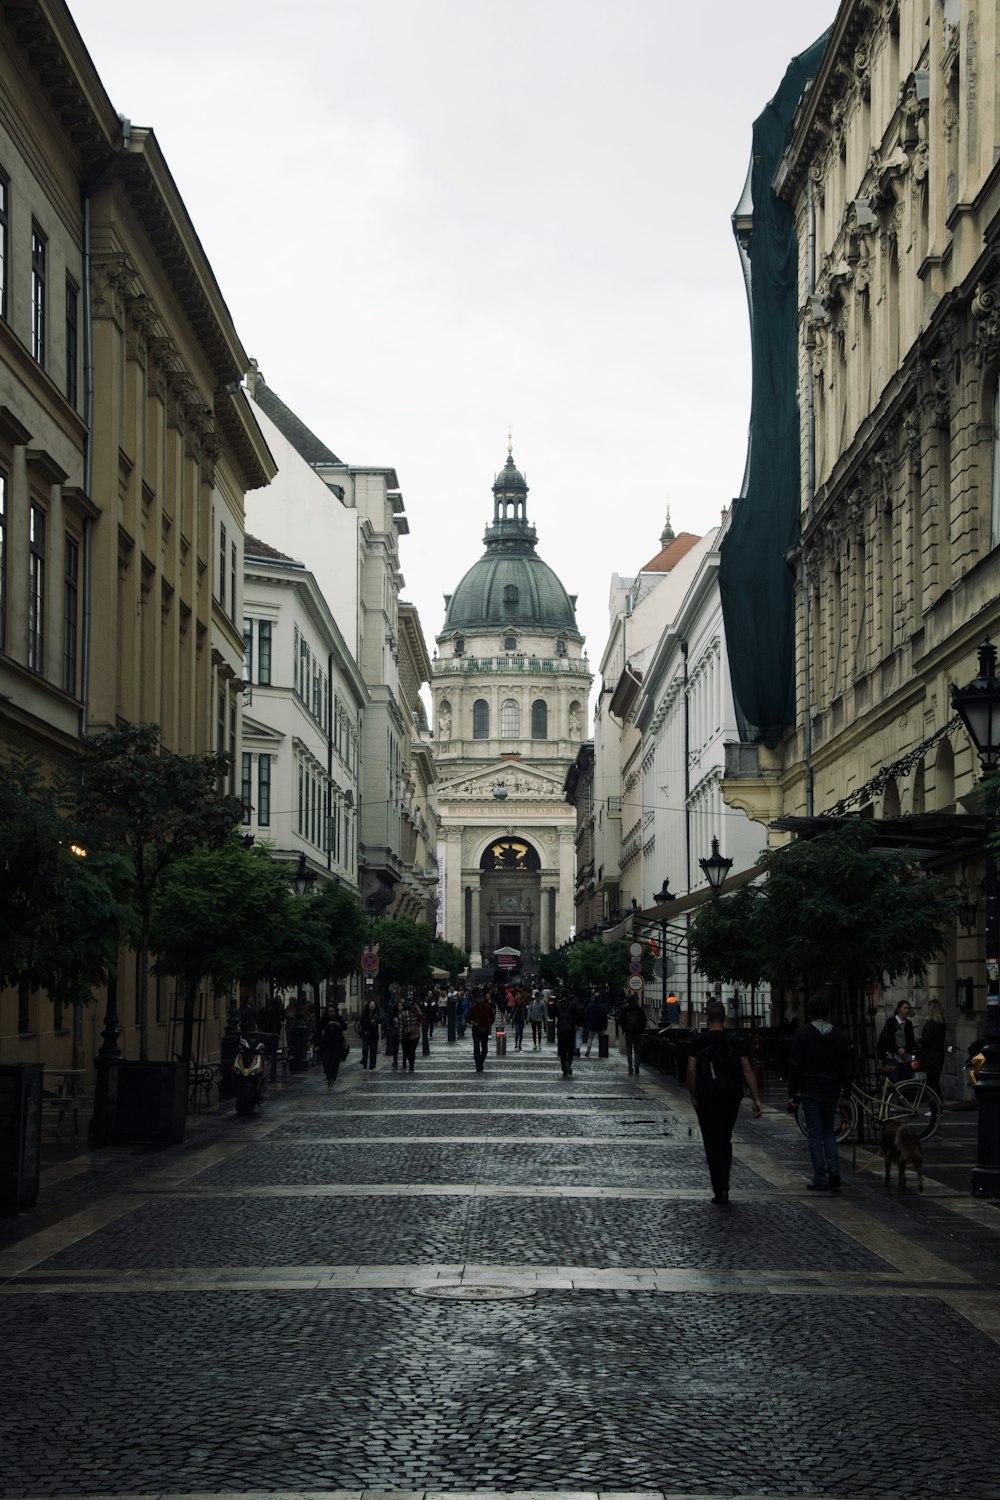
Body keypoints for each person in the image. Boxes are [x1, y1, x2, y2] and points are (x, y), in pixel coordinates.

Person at [687, 999, 762, 1204]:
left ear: (707, 1018)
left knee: (711, 1142)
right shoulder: (735, 1041)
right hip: (731, 1096)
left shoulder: (699, 1041)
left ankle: (720, 1188)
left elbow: (691, 1070)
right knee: (725, 1138)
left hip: (707, 1096)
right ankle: (724, 1183)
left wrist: (693, 1094)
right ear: (725, 1018)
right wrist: (756, 1098)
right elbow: (747, 1069)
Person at [787, 994, 853, 1192]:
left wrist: (792, 1092)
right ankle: (835, 1172)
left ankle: (820, 1176)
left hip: (810, 1089)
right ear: (827, 1012)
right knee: (828, 1131)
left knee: (814, 1134)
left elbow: (795, 1064)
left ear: (810, 1012)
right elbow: (846, 1066)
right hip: (831, 1089)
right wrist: (846, 1092)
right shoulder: (839, 1036)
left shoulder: (803, 1034)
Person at [877, 999, 916, 1082]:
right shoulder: (891, 1022)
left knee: (905, 1081)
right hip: (894, 1057)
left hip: (906, 1057)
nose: (907, 1010)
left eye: (908, 1008)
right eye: (904, 1008)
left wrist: (905, 1049)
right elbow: (886, 1039)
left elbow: (911, 1040)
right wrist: (897, 1049)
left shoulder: (908, 1023)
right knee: (895, 1080)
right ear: (899, 1009)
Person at [918, 998, 947, 1098]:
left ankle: (935, 1109)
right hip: (938, 1057)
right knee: (935, 1082)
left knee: (931, 1084)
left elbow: (927, 1040)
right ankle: (938, 1107)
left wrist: (919, 1040)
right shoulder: (942, 1023)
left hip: (929, 1058)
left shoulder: (931, 1024)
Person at [316, 1002, 348, 1091]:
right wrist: (328, 1024)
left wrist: (338, 1024)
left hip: (337, 1044)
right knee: (326, 1063)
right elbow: (319, 1029)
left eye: (332, 1011)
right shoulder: (324, 1020)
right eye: (329, 1011)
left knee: (334, 1064)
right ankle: (328, 1077)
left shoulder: (339, 1018)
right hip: (326, 1044)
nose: (331, 1013)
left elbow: (345, 1027)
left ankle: (331, 1082)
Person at [618, 994, 647, 1075]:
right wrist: (641, 1028)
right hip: (637, 1032)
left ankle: (630, 1069)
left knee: (629, 1051)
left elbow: (620, 1019)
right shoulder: (638, 1009)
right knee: (637, 1050)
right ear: (635, 1000)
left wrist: (625, 1028)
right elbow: (644, 1019)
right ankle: (637, 1066)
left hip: (628, 1033)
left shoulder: (625, 1009)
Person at [555, 993, 582, 1077]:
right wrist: (576, 1023)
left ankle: (564, 1069)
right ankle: (568, 1062)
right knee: (570, 1049)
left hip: (561, 1029)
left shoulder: (558, 1004)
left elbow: (552, 1014)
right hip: (570, 1029)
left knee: (562, 1049)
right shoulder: (573, 1004)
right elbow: (579, 1014)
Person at [468, 988, 494, 1072]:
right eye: (479, 998)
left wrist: (488, 1025)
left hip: (484, 1030)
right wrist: (473, 1022)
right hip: (476, 1030)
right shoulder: (473, 1008)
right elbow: (468, 1019)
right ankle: (478, 1065)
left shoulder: (487, 1007)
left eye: (481, 998)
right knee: (476, 1048)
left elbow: (492, 1017)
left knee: (484, 1049)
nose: (480, 1000)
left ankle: (480, 1062)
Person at [400, 996, 423, 1072]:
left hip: (415, 1034)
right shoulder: (404, 1014)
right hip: (406, 1034)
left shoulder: (417, 1014)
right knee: (407, 1050)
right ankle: (408, 1061)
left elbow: (421, 1017)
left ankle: (411, 1066)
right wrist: (401, 1034)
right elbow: (401, 1024)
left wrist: (417, 1009)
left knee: (412, 1050)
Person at [358, 999, 381, 1072]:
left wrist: (375, 1021)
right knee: (365, 1049)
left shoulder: (377, 1013)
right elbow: (362, 1021)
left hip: (373, 1034)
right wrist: (369, 1022)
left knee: (373, 1051)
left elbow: (380, 1020)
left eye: (373, 1004)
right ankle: (364, 1064)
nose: (372, 1005)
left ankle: (372, 1066)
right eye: (370, 1004)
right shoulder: (365, 1013)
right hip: (366, 1034)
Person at [386, 1001, 404, 1070]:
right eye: (399, 1006)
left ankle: (404, 1061)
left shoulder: (405, 1014)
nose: (400, 1007)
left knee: (405, 1048)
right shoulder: (393, 1015)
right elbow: (390, 1023)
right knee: (395, 1048)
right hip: (395, 1033)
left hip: (403, 1032)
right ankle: (395, 1061)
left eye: (401, 1006)